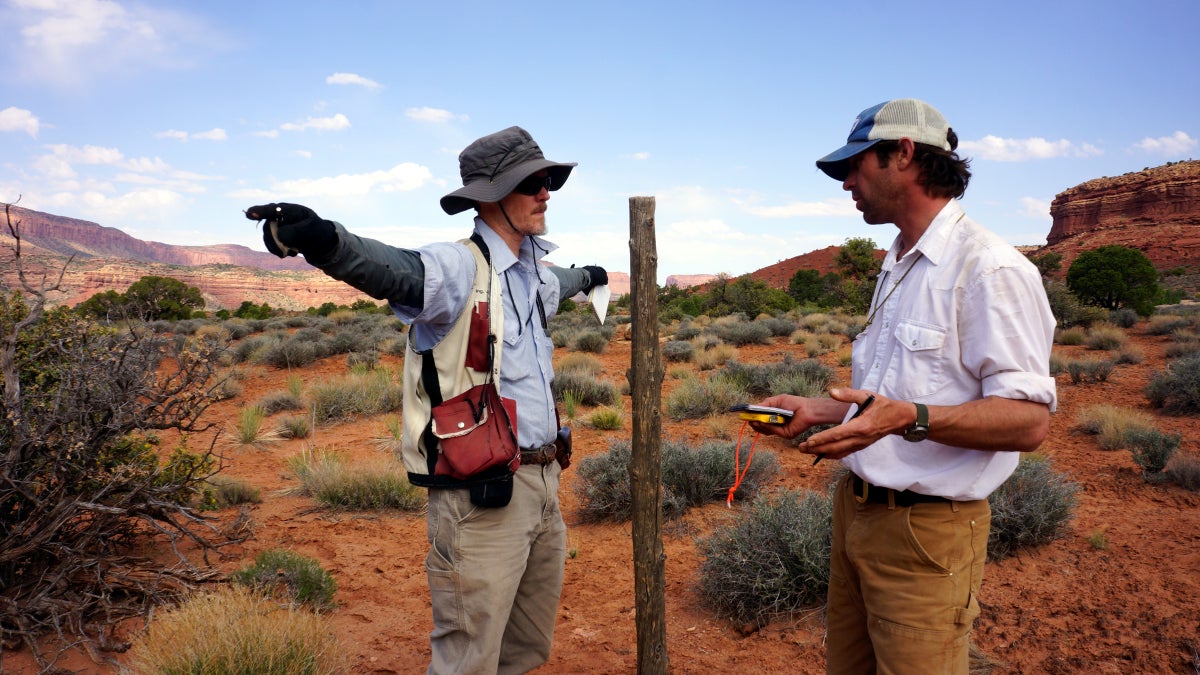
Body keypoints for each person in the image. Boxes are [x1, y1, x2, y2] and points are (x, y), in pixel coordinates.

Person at [245, 126, 607, 674]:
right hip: (482, 500)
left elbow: (567, 278)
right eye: (532, 181)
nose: (546, 192)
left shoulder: (535, 276)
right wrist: (322, 240)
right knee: (469, 658)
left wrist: (593, 277)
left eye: (549, 179)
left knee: (525, 651)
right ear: (490, 197)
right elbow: (394, 269)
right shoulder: (458, 267)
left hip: (545, 486)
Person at [752, 99, 1057, 674]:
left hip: (927, 533)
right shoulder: (899, 262)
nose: (847, 181)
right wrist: (819, 409)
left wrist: (908, 419)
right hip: (856, 512)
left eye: (857, 165)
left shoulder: (989, 268)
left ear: (905, 155)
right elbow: (890, 392)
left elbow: (1029, 421)